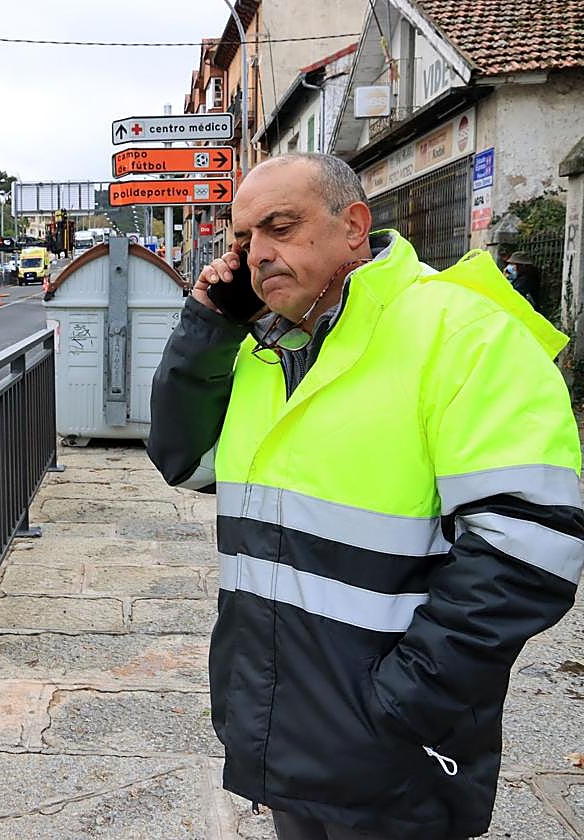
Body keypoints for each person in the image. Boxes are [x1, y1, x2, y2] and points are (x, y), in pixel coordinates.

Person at [147, 153, 583, 840]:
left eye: (279, 227)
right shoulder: (271, 346)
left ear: (353, 226)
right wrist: (209, 322)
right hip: (285, 729)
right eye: (242, 241)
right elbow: (187, 460)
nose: (257, 254)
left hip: (394, 748)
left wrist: (400, 705)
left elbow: (530, 546)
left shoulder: (461, 330)